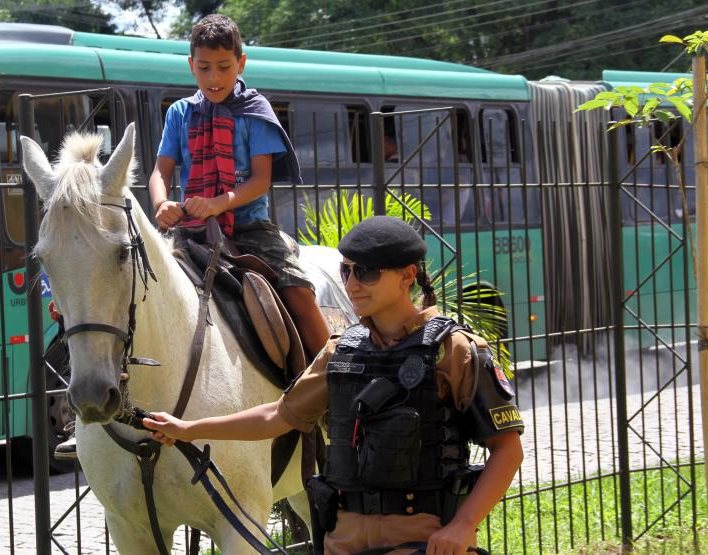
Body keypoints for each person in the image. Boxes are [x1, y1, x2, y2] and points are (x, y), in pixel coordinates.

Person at [143, 216, 525, 555]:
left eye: (366, 273)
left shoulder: (454, 350)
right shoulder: (341, 350)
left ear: (407, 276)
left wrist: (463, 525)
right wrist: (189, 429)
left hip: (423, 536)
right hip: (344, 538)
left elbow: (508, 450)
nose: (352, 284)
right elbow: (278, 416)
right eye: (346, 271)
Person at [147, 13, 331, 361]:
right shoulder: (179, 113)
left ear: (241, 63)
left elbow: (261, 180)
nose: (214, 78)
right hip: (193, 228)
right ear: (191, 65)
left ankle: (332, 373)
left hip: (249, 228)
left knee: (297, 291)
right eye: (204, 68)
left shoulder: (254, 111)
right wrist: (161, 204)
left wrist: (218, 203)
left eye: (224, 67)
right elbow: (161, 170)